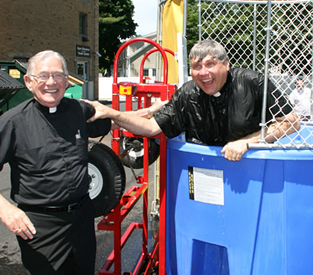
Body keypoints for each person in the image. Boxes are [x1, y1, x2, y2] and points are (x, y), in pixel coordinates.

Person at [86, 39, 300, 161]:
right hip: (205, 171)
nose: (203, 72)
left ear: (226, 64)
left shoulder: (253, 82)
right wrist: (111, 113)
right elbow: (151, 127)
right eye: (197, 67)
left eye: (210, 64)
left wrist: (248, 142)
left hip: (250, 173)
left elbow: (293, 122)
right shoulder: (188, 93)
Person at [0, 50, 112, 275]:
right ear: (28, 82)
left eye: (58, 75)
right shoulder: (12, 122)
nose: (51, 82)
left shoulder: (77, 110)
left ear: (67, 80)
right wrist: (6, 211)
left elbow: (109, 116)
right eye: (43, 76)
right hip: (41, 228)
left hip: (81, 219)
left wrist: (146, 113)